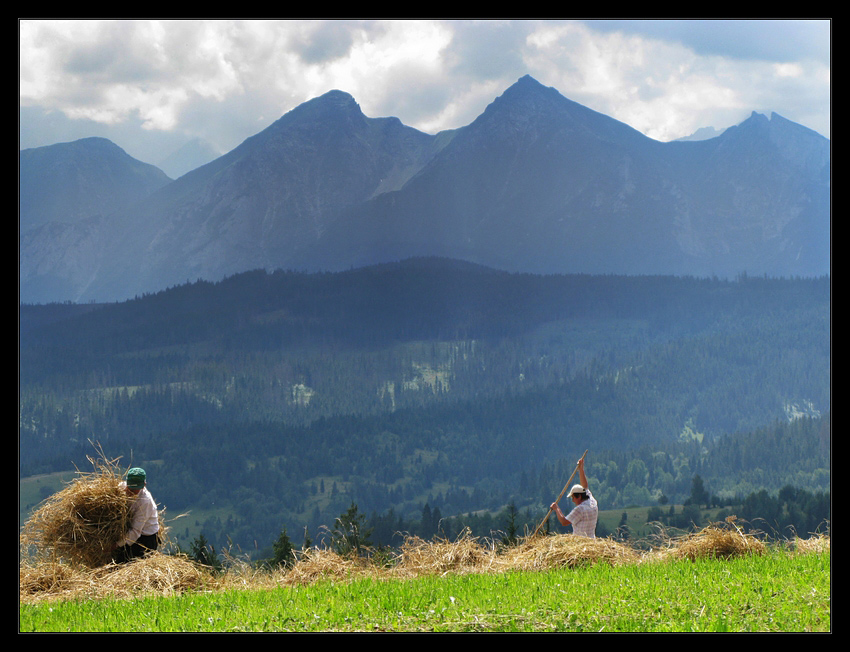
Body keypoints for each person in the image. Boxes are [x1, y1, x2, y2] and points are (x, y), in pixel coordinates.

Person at [112, 467, 160, 563]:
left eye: (134, 490)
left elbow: (135, 532)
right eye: (129, 488)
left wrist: (116, 545)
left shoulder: (145, 502)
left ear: (143, 486)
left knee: (130, 566)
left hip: (146, 539)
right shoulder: (121, 488)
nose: (130, 492)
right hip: (130, 532)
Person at [550, 456, 598, 538]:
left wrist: (556, 509)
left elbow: (564, 522)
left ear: (579, 496)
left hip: (580, 542)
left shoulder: (580, 509)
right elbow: (585, 486)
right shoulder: (592, 501)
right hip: (591, 540)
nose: (573, 500)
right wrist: (581, 469)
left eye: (573, 498)